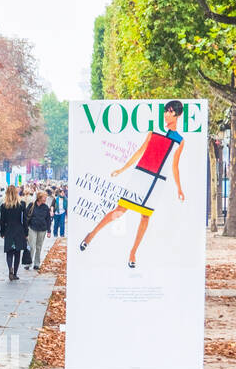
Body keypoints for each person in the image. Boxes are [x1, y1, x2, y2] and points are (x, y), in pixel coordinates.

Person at [79, 100, 187, 268]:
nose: (166, 114)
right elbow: (140, 151)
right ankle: (91, 235)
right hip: (141, 175)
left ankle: (133, 252)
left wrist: (179, 188)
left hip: (157, 182)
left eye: (170, 111)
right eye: (166, 111)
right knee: (120, 210)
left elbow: (174, 166)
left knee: (145, 216)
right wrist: (122, 169)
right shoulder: (155, 130)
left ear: (177, 115)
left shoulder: (180, 140)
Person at [0, 184, 28, 280]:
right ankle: (15, 273)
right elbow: (25, 219)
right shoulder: (22, 204)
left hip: (8, 230)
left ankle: (10, 267)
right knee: (17, 252)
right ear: (16, 193)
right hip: (19, 230)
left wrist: (2, 232)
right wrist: (26, 233)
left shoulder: (4, 206)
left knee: (9, 252)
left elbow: (2, 220)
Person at [27, 190, 52, 270]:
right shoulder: (32, 205)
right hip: (32, 228)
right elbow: (26, 216)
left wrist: (49, 231)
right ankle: (28, 262)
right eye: (44, 197)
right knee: (32, 246)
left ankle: (37, 264)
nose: (45, 199)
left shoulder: (46, 207)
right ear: (39, 197)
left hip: (42, 229)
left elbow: (48, 220)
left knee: (39, 247)